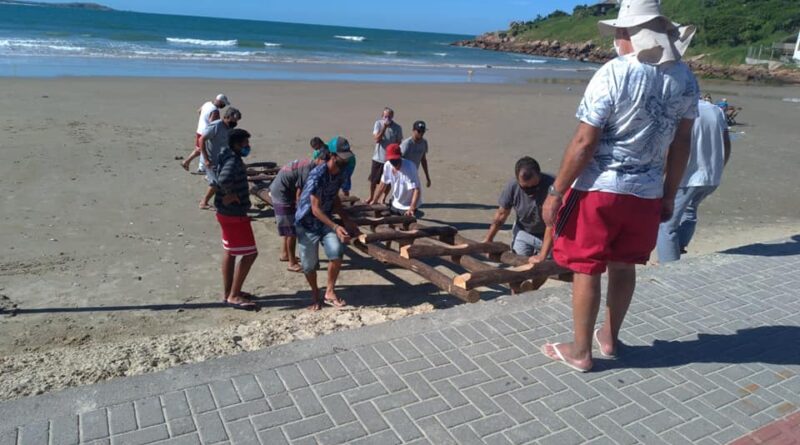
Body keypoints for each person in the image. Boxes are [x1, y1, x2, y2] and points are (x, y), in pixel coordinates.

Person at [539, 0, 699, 372]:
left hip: (600, 189)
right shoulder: (685, 77)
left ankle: (581, 351)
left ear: (630, 34)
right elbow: (682, 142)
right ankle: (609, 337)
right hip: (646, 193)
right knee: (624, 267)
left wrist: (556, 191)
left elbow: (584, 142)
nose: (616, 39)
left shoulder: (614, 72)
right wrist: (669, 193)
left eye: (619, 32)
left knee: (587, 267)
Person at [657, 98, 731, 262]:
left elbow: (672, 147)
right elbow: (726, 144)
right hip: (710, 176)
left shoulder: (678, 110)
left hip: (686, 177)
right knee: (690, 212)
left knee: (666, 225)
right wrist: (718, 168)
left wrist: (661, 174)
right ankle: (678, 248)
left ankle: (670, 266)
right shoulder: (716, 111)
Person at [295, 149, 359, 311]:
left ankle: (329, 291)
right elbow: (315, 209)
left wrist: (345, 219)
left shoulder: (339, 174)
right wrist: (336, 226)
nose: (344, 162)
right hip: (307, 222)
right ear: (333, 155)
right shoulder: (317, 175)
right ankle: (315, 294)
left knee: (336, 252)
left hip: (325, 220)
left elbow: (334, 198)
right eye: (342, 158)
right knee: (309, 265)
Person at [213, 128, 258, 310]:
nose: (248, 147)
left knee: (230, 252)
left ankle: (228, 292)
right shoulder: (232, 160)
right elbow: (223, 180)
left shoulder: (224, 155)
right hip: (234, 214)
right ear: (236, 144)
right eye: (245, 144)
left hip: (224, 212)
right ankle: (234, 295)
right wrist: (230, 194)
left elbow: (214, 178)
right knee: (250, 253)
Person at [483, 157, 555, 263]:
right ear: (517, 180)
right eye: (525, 188)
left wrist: (543, 255)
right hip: (524, 231)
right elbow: (501, 215)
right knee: (519, 264)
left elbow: (553, 223)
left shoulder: (554, 185)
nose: (530, 191)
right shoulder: (512, 186)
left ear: (539, 175)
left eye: (534, 186)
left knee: (543, 270)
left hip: (549, 234)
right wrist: (489, 239)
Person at [269, 150, 326, 273]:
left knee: (288, 227)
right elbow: (300, 193)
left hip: (284, 190)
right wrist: (301, 211)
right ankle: (292, 263)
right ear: (320, 160)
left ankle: (285, 254)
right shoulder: (308, 169)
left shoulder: (310, 165)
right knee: (291, 231)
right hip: (281, 193)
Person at [198, 107, 241, 210]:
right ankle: (203, 203)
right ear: (226, 117)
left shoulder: (229, 128)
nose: (234, 123)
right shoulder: (216, 126)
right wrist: (207, 159)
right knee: (216, 183)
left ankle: (225, 201)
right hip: (210, 160)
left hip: (221, 160)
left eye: (236, 121)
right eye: (233, 120)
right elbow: (201, 140)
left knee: (223, 181)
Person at [367, 143, 421, 216]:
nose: (394, 162)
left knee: (406, 225)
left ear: (400, 156)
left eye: (396, 159)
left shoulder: (409, 167)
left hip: (407, 206)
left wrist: (411, 208)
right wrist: (375, 200)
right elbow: (383, 184)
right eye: (391, 160)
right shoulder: (387, 165)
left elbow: (416, 190)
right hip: (395, 202)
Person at [182, 94, 229, 172]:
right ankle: (201, 168)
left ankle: (187, 162)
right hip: (206, 133)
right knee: (204, 150)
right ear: (220, 102)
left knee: (199, 149)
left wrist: (204, 119)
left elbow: (199, 111)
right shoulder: (215, 111)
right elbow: (213, 123)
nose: (224, 106)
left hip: (199, 130)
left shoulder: (207, 103)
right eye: (224, 104)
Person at [370, 107, 403, 200]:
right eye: (385, 116)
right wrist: (384, 127)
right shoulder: (378, 124)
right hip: (378, 157)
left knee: (388, 181)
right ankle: (371, 196)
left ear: (392, 117)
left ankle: (383, 198)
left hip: (390, 159)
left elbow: (399, 141)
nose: (387, 118)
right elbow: (377, 139)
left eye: (389, 116)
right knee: (373, 180)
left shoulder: (397, 127)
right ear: (382, 116)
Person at [400, 120, 432, 188]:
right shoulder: (407, 144)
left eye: (423, 131)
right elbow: (397, 159)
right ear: (413, 130)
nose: (421, 133)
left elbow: (423, 160)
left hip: (414, 174)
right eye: (419, 131)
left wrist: (427, 177)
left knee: (415, 195)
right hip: (403, 175)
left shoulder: (424, 143)